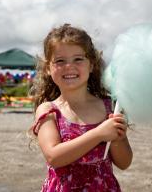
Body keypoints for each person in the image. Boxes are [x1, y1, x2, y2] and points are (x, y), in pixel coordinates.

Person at [29, 24, 133, 191]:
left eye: (78, 59)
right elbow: (53, 156)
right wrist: (99, 134)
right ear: (48, 68)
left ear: (91, 65)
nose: (69, 66)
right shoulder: (48, 110)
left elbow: (124, 163)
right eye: (60, 61)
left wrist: (117, 138)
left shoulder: (109, 108)